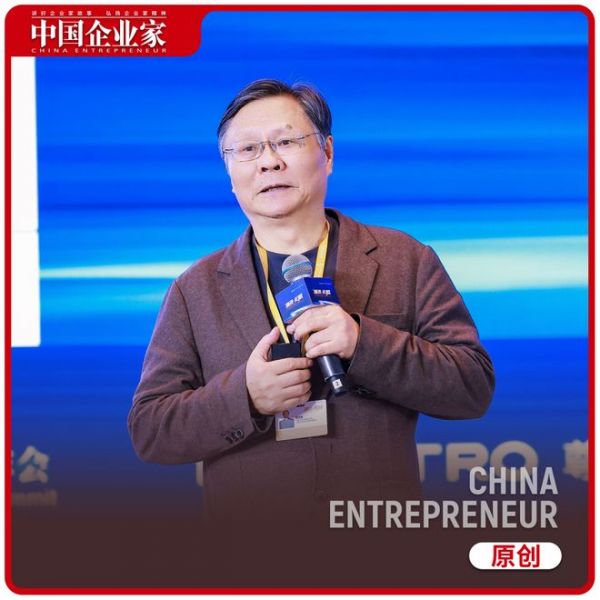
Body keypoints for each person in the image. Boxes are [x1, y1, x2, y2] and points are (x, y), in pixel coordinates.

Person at [128, 79, 494, 532]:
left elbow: (471, 385)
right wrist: (246, 396)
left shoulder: (405, 259)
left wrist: (363, 343)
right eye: (247, 149)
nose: (269, 161)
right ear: (229, 173)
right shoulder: (194, 289)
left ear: (328, 153)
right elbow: (151, 430)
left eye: (286, 142)